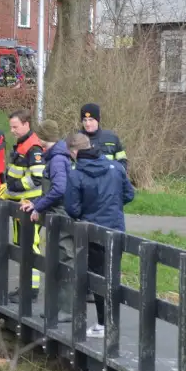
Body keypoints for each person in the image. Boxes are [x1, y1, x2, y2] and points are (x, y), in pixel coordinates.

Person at [64, 132, 134, 340]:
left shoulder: (77, 174)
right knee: (113, 276)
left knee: (97, 278)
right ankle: (111, 322)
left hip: (93, 232)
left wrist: (88, 213)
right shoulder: (116, 168)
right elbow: (129, 195)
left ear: (74, 152)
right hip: (116, 229)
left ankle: (105, 323)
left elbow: (72, 208)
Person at [20, 119, 74, 317]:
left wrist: (39, 205)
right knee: (57, 258)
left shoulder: (58, 159)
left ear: (43, 137)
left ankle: (66, 309)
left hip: (61, 213)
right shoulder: (56, 156)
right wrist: (38, 205)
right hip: (55, 212)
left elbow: (58, 188)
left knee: (64, 258)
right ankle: (57, 307)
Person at [4, 110, 46, 293]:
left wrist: (14, 185)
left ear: (26, 124)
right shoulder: (23, 144)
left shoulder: (33, 147)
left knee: (30, 245)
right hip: (21, 203)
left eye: (15, 126)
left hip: (30, 204)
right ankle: (26, 285)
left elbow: (36, 178)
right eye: (11, 126)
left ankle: (31, 288)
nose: (12, 130)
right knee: (23, 244)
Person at [79, 103, 127, 172]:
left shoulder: (111, 138)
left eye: (91, 120)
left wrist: (117, 174)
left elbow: (122, 160)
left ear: (98, 120)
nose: (87, 124)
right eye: (85, 120)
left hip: (109, 181)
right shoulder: (75, 140)